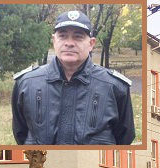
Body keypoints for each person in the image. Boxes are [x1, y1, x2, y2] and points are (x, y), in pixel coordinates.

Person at [12, 10, 134, 145]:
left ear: (91, 44)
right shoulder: (26, 83)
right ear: (54, 40)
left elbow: (125, 137)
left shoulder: (115, 86)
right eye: (63, 36)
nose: (69, 43)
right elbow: (20, 133)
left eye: (78, 37)